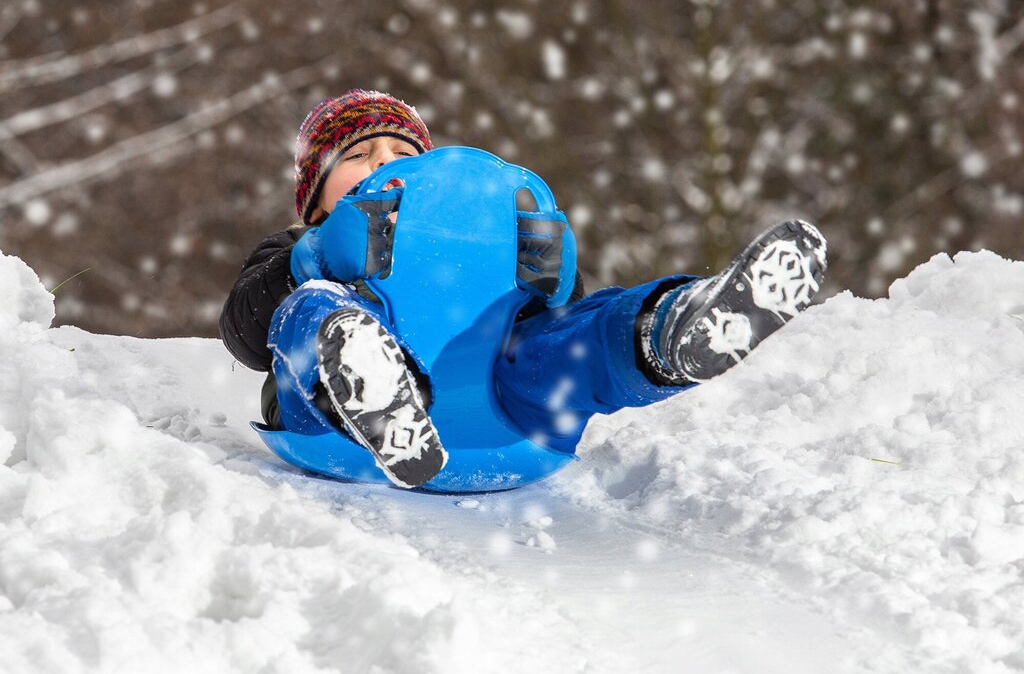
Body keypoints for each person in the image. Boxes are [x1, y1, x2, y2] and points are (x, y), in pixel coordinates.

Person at [220, 90, 827, 488]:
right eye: (359, 156)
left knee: (561, 338)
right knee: (312, 311)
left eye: (402, 153)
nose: (384, 164)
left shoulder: (473, 244)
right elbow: (243, 333)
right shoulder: (295, 246)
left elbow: (548, 320)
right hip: (329, 434)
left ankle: (668, 330)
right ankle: (370, 386)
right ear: (314, 191)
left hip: (500, 420)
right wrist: (314, 259)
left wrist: (550, 281)